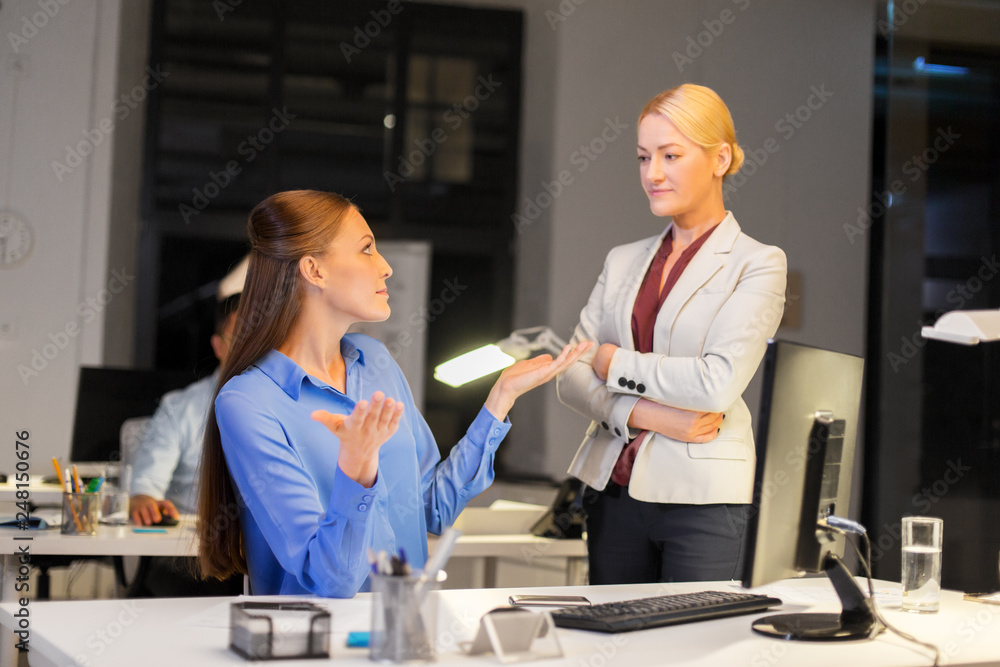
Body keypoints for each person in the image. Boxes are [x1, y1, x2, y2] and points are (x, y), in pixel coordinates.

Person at [197, 190, 590, 597]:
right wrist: (357, 470)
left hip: (405, 625)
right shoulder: (248, 402)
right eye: (367, 249)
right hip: (317, 633)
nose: (385, 267)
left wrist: (501, 398)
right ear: (314, 270)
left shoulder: (375, 359)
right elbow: (329, 578)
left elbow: (433, 508)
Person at [556, 84, 787, 585]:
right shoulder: (622, 260)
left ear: (719, 159)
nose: (652, 174)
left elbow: (716, 384)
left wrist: (614, 363)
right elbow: (569, 375)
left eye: (670, 155)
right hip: (614, 490)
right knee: (613, 633)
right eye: (643, 157)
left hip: (705, 501)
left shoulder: (757, 263)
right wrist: (648, 415)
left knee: (694, 633)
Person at [129, 256, 248, 525]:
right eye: (239, 339)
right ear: (218, 346)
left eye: (259, 340)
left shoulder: (291, 405)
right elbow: (145, 488)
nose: (250, 351)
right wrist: (145, 501)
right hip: (193, 543)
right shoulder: (180, 407)